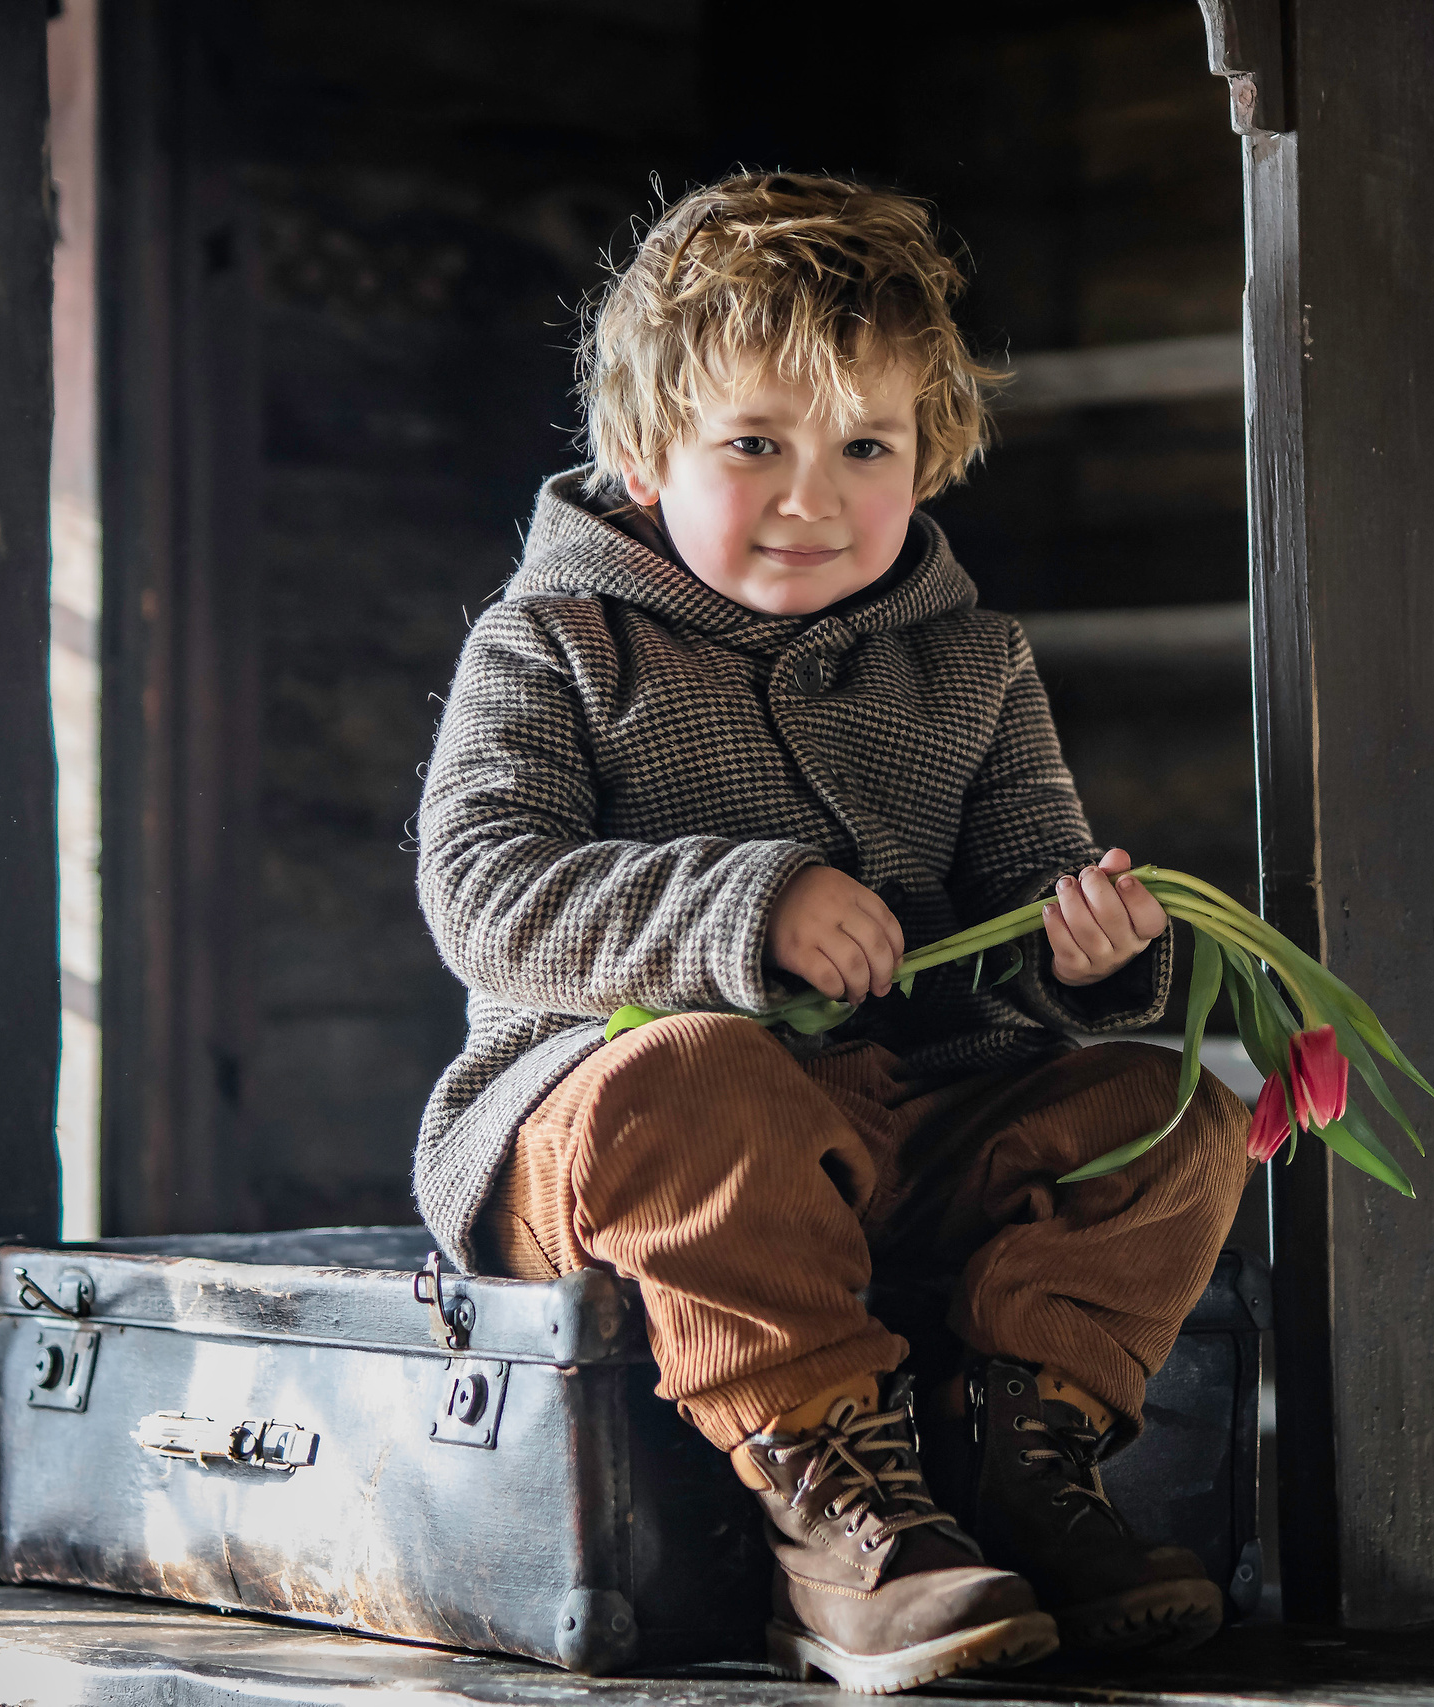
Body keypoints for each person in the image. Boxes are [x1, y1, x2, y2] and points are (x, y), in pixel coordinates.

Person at [411, 170, 1251, 1693]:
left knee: (1170, 1109)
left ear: (928, 459)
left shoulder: (974, 663)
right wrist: (752, 904)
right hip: (615, 1146)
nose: (814, 497)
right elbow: (483, 889)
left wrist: (1090, 954)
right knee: (702, 1075)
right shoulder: (551, 638)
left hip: (900, 1145)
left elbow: (1029, 886)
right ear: (643, 451)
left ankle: (1021, 1463)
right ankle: (841, 1516)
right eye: (755, 445)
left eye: (867, 447)